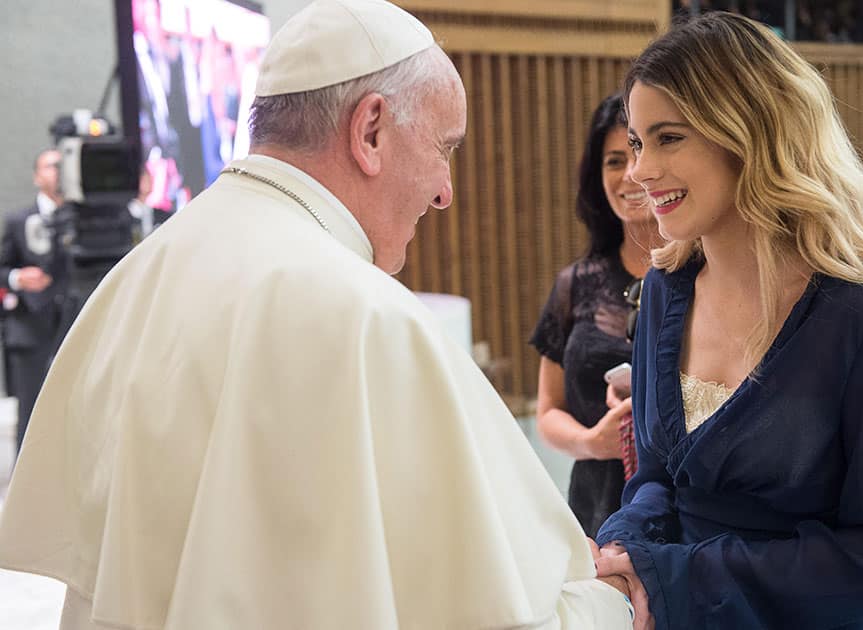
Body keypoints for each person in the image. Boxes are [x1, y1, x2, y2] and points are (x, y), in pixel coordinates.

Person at [0, 1, 635, 628]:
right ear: (370, 131)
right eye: (444, 148)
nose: (445, 191)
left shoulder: (136, 276)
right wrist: (612, 599)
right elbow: (497, 613)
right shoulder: (367, 318)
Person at [592, 12, 863, 629]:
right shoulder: (664, 293)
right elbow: (655, 476)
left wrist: (684, 575)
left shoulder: (862, 312)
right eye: (638, 143)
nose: (641, 173)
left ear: (748, 132)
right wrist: (625, 546)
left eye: (668, 138)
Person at [532, 93, 660, 538]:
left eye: (638, 152)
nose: (629, 174)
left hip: (684, 517)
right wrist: (593, 442)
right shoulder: (575, 284)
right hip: (594, 512)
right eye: (612, 160)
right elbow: (548, 411)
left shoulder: (707, 278)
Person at [0, 148, 69, 455]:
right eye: (50, 166)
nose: (57, 171)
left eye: (62, 166)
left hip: (72, 323)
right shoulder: (18, 221)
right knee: (30, 411)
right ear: (36, 175)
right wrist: (17, 277)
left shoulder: (82, 222)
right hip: (29, 329)